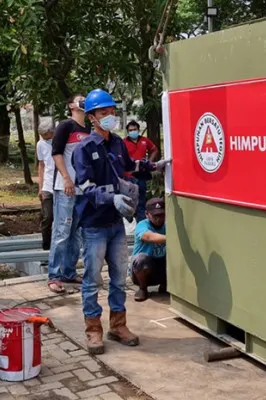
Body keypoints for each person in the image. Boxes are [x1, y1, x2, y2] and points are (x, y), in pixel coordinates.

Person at [73, 88, 169, 354]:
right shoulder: (83, 149)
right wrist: (111, 197)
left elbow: (130, 164)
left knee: (118, 279)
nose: (110, 117)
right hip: (94, 225)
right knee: (92, 280)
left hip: (116, 224)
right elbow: (85, 186)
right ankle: (93, 331)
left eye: (112, 112)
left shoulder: (116, 142)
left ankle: (118, 326)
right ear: (92, 117)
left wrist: (155, 165)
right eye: (104, 113)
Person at [46, 93, 89, 293]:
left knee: (76, 233)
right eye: (80, 99)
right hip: (65, 187)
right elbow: (56, 153)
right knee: (61, 232)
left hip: (82, 188)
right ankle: (54, 275)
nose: (84, 101)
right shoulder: (65, 126)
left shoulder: (87, 130)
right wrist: (65, 178)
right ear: (71, 105)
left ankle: (69, 272)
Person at [131, 198, 167, 302]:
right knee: (141, 259)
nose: (158, 219)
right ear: (147, 214)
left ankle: (165, 285)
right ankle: (143, 289)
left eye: (161, 215)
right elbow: (148, 237)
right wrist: (170, 238)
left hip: (160, 267)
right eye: (155, 216)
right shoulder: (142, 225)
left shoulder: (168, 225)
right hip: (142, 269)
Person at [122, 120, 158, 221]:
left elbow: (154, 149)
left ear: (138, 130)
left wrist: (149, 162)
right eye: (130, 130)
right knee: (130, 200)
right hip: (128, 176)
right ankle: (130, 215)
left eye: (135, 129)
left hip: (141, 174)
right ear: (128, 132)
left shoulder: (144, 140)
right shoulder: (123, 143)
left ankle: (140, 224)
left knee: (141, 200)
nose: (133, 131)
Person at [36, 119, 55, 250]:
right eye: (42, 137)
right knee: (48, 217)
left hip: (61, 184)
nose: (45, 139)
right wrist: (40, 188)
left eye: (46, 136)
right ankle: (46, 245)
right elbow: (41, 166)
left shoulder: (60, 141)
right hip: (47, 186)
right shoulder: (40, 144)